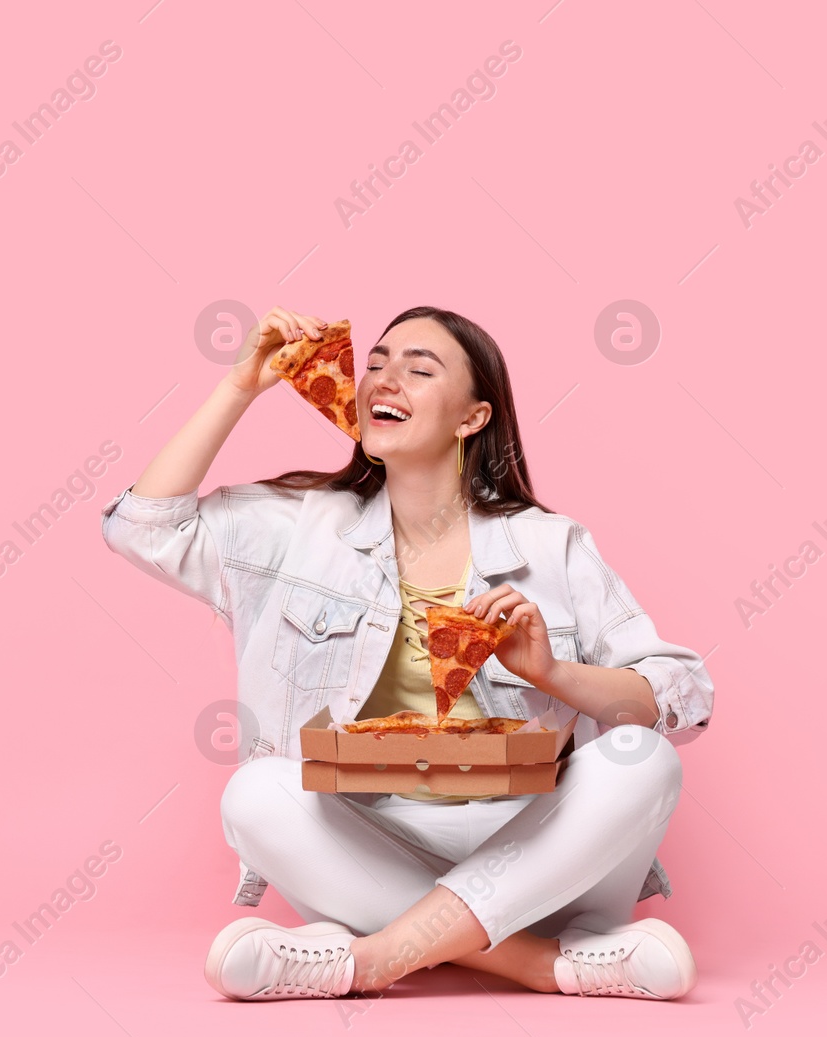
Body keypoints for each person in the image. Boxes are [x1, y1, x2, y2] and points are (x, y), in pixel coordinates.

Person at [100, 305, 715, 1000]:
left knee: (644, 760)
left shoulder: (550, 543)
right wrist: (241, 384)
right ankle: (540, 963)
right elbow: (141, 528)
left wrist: (552, 672)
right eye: (376, 363)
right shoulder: (303, 527)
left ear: (472, 418)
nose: (384, 380)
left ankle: (365, 959)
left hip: (537, 845)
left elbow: (682, 693)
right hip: (376, 839)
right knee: (253, 792)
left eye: (419, 369)